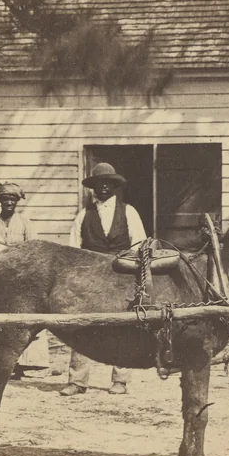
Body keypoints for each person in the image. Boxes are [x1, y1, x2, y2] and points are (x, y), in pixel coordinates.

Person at [60, 163, 146, 397]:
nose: (104, 186)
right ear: (94, 188)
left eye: (109, 182)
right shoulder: (83, 215)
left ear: (115, 186)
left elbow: (140, 245)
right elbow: (72, 250)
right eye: (100, 183)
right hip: (90, 278)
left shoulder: (128, 212)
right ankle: (78, 381)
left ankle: (120, 380)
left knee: (123, 327)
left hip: (122, 276)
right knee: (82, 326)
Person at [0, 182, 48, 379]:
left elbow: (35, 251)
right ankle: (0, 364)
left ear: (17, 202)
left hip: (21, 278)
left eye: (13, 199)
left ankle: (28, 365)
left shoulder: (26, 224)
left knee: (25, 318)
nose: (9, 202)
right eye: (5, 199)